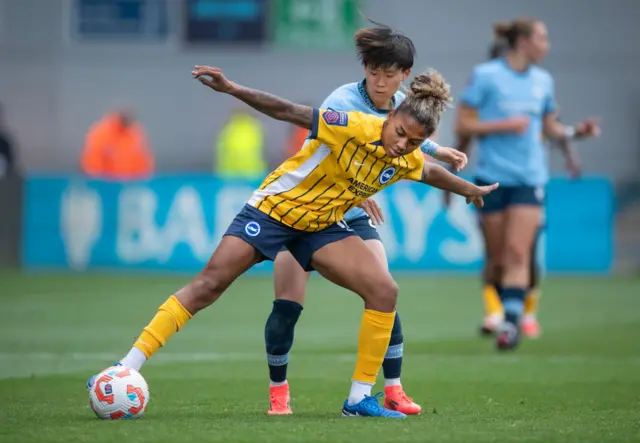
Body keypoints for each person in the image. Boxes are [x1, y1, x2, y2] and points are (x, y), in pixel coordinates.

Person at [88, 65, 497, 418]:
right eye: (401, 133)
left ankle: (358, 399)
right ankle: (127, 366)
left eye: (413, 142)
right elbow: (288, 111)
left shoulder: (405, 156)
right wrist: (232, 88)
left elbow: (431, 172)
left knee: (384, 289)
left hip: (320, 226)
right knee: (209, 285)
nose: (401, 144)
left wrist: (468, 189)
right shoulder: (353, 124)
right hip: (272, 212)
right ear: (392, 117)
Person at [264, 23, 467, 416]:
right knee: (287, 306)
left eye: (388, 74)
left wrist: (441, 152)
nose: (379, 80)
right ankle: (278, 391)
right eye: (373, 71)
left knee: (384, 289)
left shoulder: (404, 105)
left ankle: (392, 389)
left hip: (351, 214)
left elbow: (414, 137)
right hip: (307, 209)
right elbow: (323, 151)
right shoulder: (342, 101)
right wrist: (365, 190)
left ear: (404, 76)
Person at [454, 18, 600, 350]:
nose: (547, 45)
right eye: (542, 38)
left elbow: (550, 127)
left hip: (529, 178)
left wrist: (578, 132)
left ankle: (511, 323)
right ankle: (504, 311)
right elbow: (464, 122)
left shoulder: (543, 81)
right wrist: (504, 125)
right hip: (490, 178)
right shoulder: (486, 76)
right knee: (497, 260)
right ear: (522, 42)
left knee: (519, 251)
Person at [81, 108, 155, 180]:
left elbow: (143, 158)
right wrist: (97, 177)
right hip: (106, 182)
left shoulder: (135, 134)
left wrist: (142, 177)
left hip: (130, 182)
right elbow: (93, 156)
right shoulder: (103, 132)